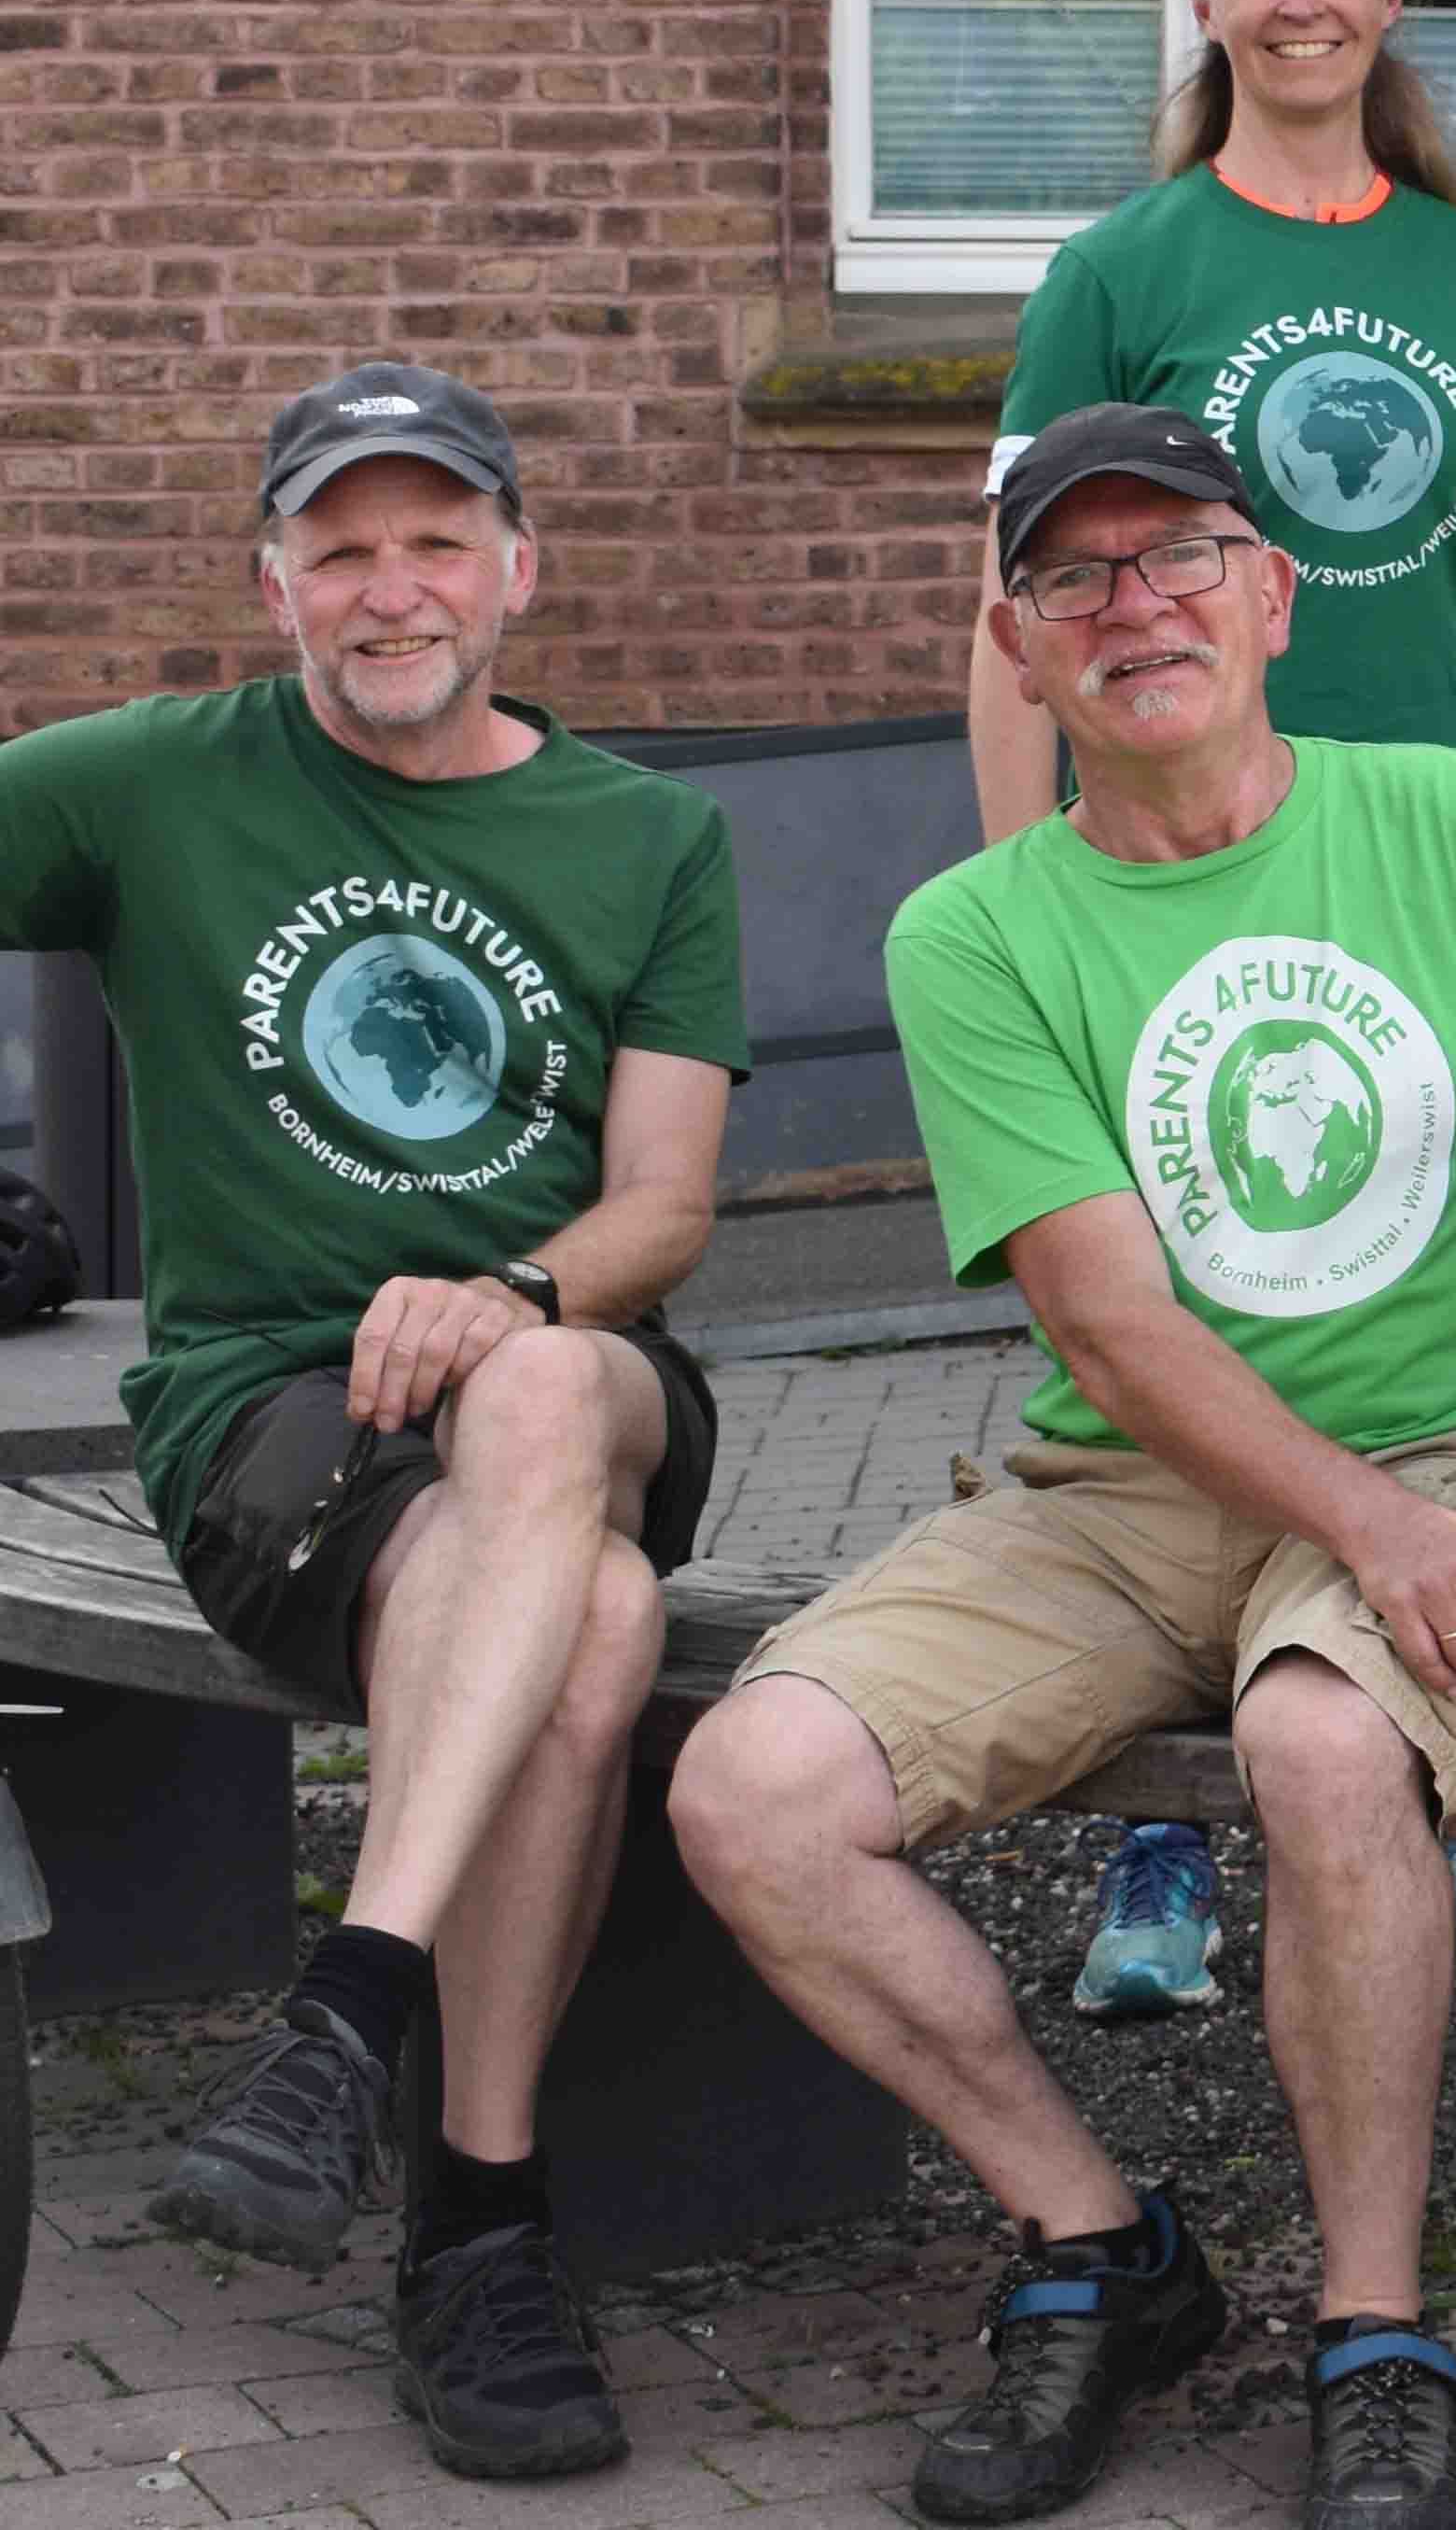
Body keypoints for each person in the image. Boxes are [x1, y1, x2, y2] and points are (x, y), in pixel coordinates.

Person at [669, 405, 1456, 2530]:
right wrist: (1361, 1525)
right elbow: (1111, 1325)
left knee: (1322, 1755)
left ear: (1275, 594)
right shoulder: (975, 931)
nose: (1137, 608)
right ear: (1016, 653)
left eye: (1182, 555)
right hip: (1121, 1488)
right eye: (1075, 581)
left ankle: (1374, 2332)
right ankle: (1103, 2249)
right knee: (748, 1793)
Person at [0, 362, 746, 2480]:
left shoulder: (646, 836)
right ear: (275, 582)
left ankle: (347, 2007)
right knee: (590, 1637)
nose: (389, 588)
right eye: (341, 548)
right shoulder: (150, 785)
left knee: (539, 1406)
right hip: (272, 1416)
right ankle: (479, 2229)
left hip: (577, 1368)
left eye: (434, 542)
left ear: (519, 566)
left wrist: (510, 1290)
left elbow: (667, 1207)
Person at [970, 0, 1456, 2002]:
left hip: (1424, 884)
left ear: (1389, 1)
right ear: (1212, 4)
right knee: (1175, 1344)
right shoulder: (1122, 265)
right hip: (1163, 886)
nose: (1302, 1)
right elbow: (1008, 622)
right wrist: (1006, 895)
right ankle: (1156, 1849)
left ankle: (1420, 1765)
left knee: (1429, 1338)